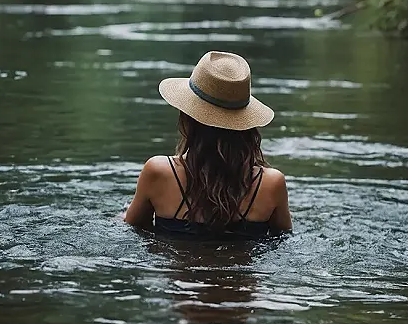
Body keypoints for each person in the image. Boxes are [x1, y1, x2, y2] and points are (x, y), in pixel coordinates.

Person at [123, 50, 292, 237]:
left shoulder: (159, 172)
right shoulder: (271, 184)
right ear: (247, 127)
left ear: (187, 118)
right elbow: (283, 237)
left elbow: (134, 227)